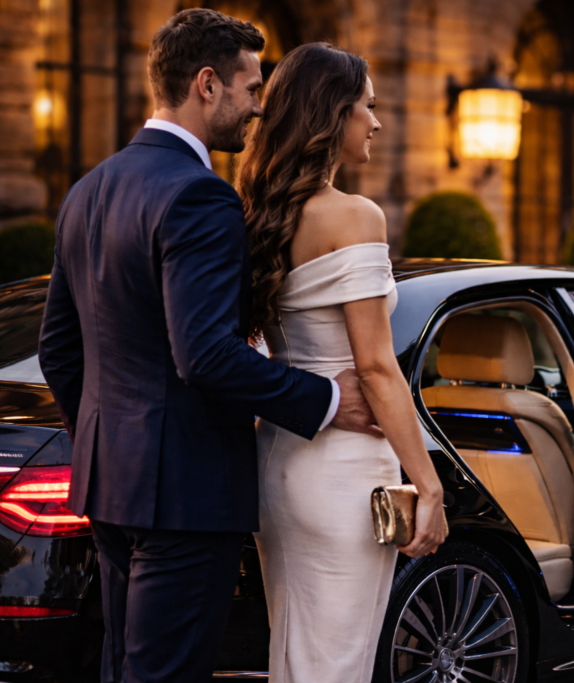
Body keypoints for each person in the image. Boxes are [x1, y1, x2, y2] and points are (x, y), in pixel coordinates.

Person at [37, 10, 381, 682]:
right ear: (206, 85)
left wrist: (108, 446)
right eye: (251, 91)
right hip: (187, 500)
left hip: (111, 491)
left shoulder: (89, 189)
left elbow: (59, 348)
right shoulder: (201, 196)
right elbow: (206, 354)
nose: (257, 110)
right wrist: (329, 397)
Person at [235, 42, 446, 681]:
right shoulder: (356, 216)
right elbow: (377, 370)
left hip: (278, 463)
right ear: (334, 114)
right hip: (345, 474)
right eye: (367, 107)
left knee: (297, 656)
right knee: (338, 665)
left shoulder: (257, 211)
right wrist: (428, 483)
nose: (376, 123)